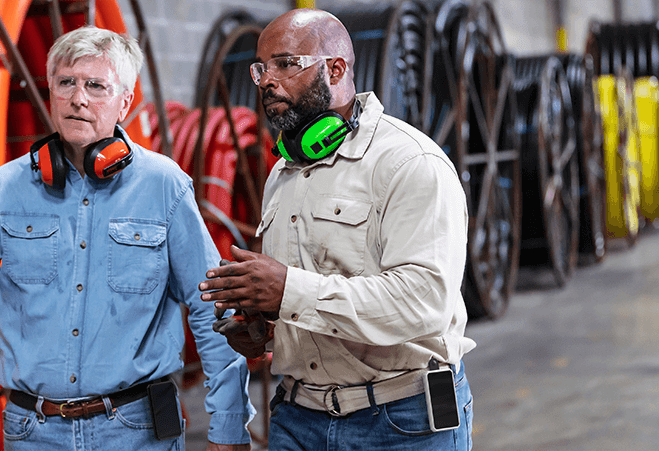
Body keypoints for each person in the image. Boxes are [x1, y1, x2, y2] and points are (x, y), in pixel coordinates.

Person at [0, 26, 254, 451]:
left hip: (136, 432)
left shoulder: (164, 187)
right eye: (66, 83)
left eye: (96, 85)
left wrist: (228, 427)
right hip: (32, 432)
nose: (79, 98)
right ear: (51, 93)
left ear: (125, 102)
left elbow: (213, 312)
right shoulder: (6, 189)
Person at [198, 8, 476, 450]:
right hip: (298, 417)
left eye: (286, 64)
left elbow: (424, 301)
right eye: (260, 68)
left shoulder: (409, 164)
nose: (267, 80)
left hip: (402, 422)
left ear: (336, 68)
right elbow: (320, 293)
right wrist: (267, 329)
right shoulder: (283, 173)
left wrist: (288, 291)